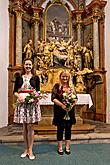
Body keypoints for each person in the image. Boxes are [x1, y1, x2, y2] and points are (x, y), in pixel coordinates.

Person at [13, 58, 41, 160]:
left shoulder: (36, 78)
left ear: (32, 66)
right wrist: (18, 96)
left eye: (29, 65)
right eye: (26, 64)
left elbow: (38, 91)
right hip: (22, 104)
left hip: (32, 104)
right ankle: (25, 148)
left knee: (30, 127)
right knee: (24, 127)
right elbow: (15, 91)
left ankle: (30, 149)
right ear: (24, 66)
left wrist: (34, 98)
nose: (28, 66)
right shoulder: (19, 77)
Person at [51, 70, 78, 155]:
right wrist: (62, 105)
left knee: (68, 129)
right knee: (60, 129)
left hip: (69, 112)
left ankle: (67, 147)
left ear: (69, 77)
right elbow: (53, 98)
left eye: (66, 76)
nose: (65, 78)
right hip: (59, 111)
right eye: (63, 76)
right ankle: (59, 147)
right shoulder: (57, 86)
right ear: (60, 77)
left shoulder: (72, 87)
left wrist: (70, 106)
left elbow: (76, 98)